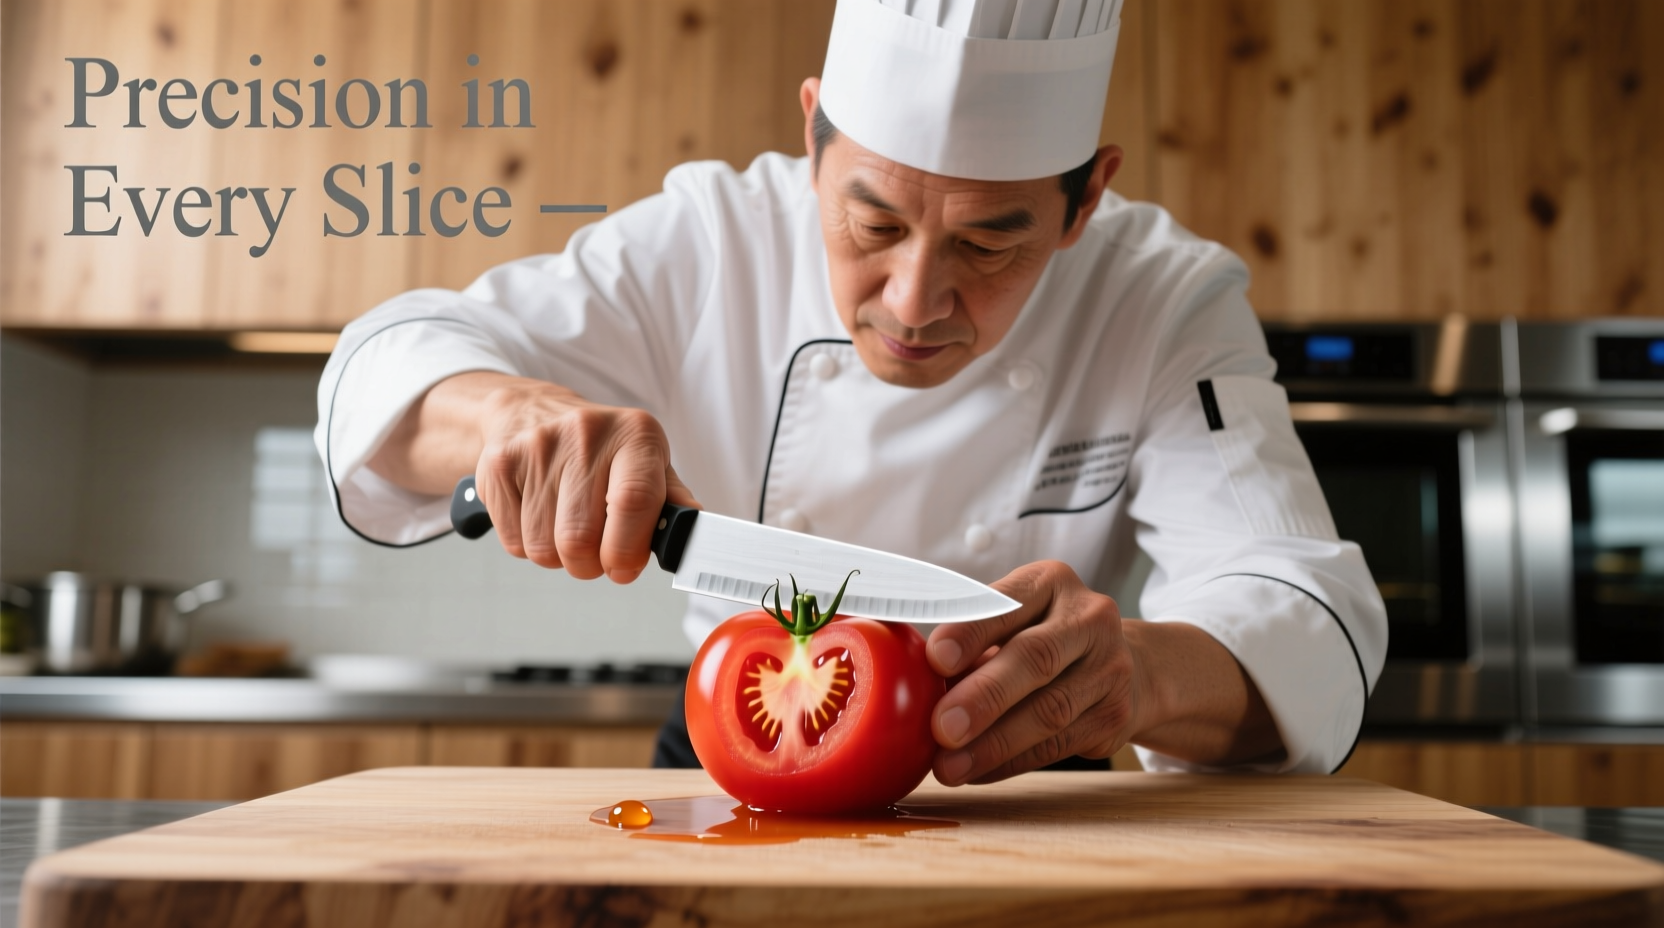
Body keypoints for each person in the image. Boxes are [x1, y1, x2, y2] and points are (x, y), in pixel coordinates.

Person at [315, 0, 1386, 784]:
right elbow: (383, 366)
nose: (914, 301)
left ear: (1083, 201)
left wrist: (1138, 677)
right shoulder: (706, 242)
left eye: (988, 244)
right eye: (871, 223)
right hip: (744, 746)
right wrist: (510, 417)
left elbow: (1304, 608)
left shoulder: (1159, 298)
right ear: (811, 136)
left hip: (1033, 773)